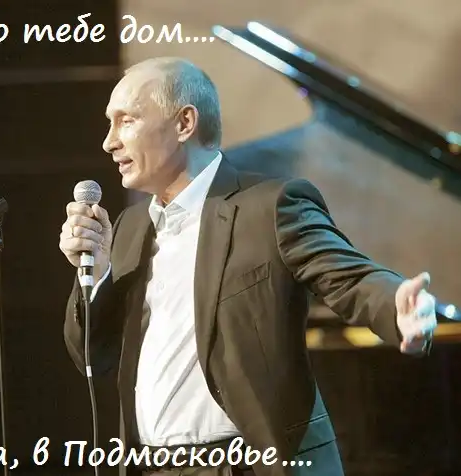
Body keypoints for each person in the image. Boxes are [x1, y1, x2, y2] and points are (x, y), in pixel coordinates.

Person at [59, 57, 438, 476]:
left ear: (184, 123)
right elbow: (92, 354)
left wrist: (397, 305)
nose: (109, 142)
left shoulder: (269, 207)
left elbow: (350, 278)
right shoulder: (129, 228)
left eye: (126, 121)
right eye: (110, 123)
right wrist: (96, 274)